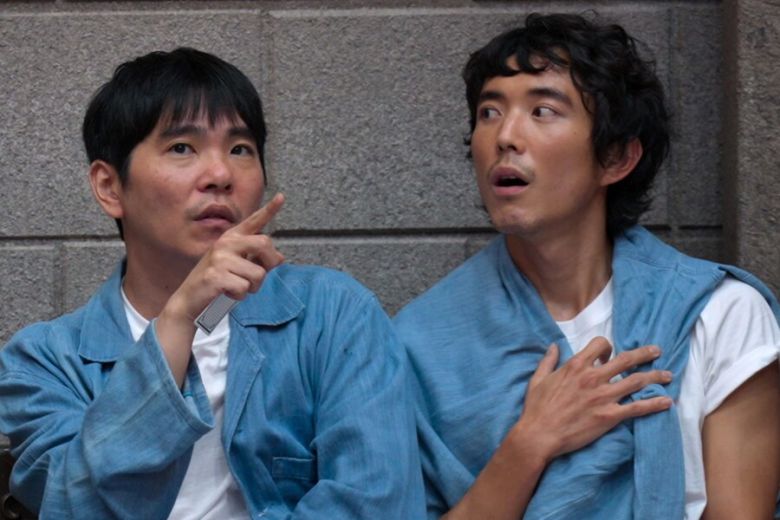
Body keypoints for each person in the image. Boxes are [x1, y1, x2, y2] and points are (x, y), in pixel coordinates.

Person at [0, 48, 425, 519]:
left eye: (240, 149)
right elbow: (76, 506)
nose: (221, 175)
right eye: (182, 147)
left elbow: (377, 503)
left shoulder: (333, 316)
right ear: (109, 187)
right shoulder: (43, 362)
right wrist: (179, 319)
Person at [395, 12, 780, 519]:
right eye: (489, 112)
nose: (505, 135)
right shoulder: (417, 343)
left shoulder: (720, 314)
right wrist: (531, 442)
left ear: (616, 158)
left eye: (543, 111)